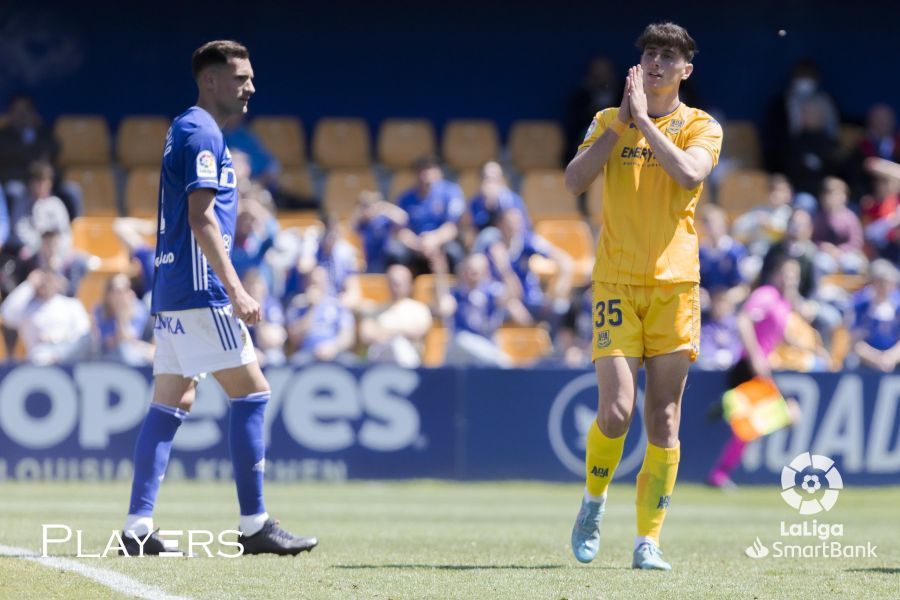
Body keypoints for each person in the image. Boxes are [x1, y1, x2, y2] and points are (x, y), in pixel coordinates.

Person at [120, 40, 317, 557]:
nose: (250, 86)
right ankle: (254, 524)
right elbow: (201, 216)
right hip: (201, 288)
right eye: (240, 78)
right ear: (210, 81)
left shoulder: (189, 128)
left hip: (173, 290)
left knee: (172, 399)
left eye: (250, 78)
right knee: (253, 393)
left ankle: (138, 527)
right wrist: (235, 289)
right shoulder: (202, 131)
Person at [563, 22, 723, 570]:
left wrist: (647, 125)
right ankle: (592, 502)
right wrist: (621, 124)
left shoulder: (701, 126)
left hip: (675, 286)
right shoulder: (608, 121)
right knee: (616, 410)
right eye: (650, 54)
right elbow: (573, 180)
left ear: (685, 70)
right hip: (616, 280)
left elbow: (687, 173)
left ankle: (647, 541)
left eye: (668, 56)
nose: (656, 62)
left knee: (666, 418)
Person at [707, 257, 806, 488]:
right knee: (782, 416)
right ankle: (719, 473)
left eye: (794, 276)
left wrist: (801, 345)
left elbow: (776, 333)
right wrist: (756, 356)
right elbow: (743, 320)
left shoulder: (783, 303)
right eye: (786, 274)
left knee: (753, 426)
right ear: (775, 275)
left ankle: (727, 407)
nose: (790, 280)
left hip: (762, 367)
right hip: (748, 366)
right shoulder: (766, 294)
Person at [391, 155, 466, 276]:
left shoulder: (451, 192)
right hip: (415, 244)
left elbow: (453, 226)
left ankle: (456, 290)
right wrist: (417, 244)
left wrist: (434, 240)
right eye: (422, 171)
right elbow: (401, 230)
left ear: (439, 172)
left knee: (454, 252)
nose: (427, 176)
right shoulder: (406, 198)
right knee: (395, 252)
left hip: (442, 242)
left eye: (431, 169)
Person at [0, 268, 91, 365]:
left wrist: (59, 352)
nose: (47, 284)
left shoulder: (72, 305)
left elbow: (84, 336)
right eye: (43, 280)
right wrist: (28, 285)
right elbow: (7, 314)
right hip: (37, 361)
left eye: (50, 279)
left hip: (69, 360)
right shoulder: (28, 309)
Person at [359, 264, 432, 367]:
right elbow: (366, 335)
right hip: (379, 358)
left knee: (397, 344)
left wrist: (385, 332)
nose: (394, 287)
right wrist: (399, 332)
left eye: (398, 283)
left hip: (408, 359)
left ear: (409, 284)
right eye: (391, 283)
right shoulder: (376, 309)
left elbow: (418, 331)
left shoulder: (419, 309)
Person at [286, 266, 356, 365]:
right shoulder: (298, 304)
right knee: (294, 362)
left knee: (351, 362)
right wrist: (312, 309)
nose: (316, 286)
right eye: (313, 282)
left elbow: (347, 337)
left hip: (335, 352)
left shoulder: (338, 305)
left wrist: (333, 347)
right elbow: (295, 338)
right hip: (307, 353)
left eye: (320, 282)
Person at [92, 273, 154, 365]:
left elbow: (128, 341)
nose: (124, 294)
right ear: (109, 294)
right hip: (106, 355)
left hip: (135, 355)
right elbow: (107, 342)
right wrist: (120, 314)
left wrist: (121, 317)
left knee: (126, 352)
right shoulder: (100, 310)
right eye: (118, 291)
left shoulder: (138, 309)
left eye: (127, 289)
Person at [850, 259, 900, 372]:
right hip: (866, 364)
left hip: (895, 362)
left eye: (887, 283)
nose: (883, 287)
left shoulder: (898, 306)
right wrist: (876, 359)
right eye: (879, 282)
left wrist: (890, 358)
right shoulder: (860, 306)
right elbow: (855, 342)